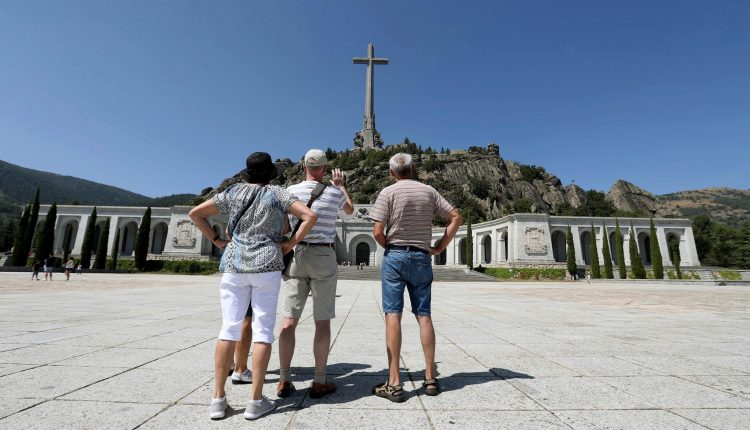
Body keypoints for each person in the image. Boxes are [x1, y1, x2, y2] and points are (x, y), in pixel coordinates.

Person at [188, 152, 317, 421]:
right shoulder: (277, 194)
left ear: (247, 173)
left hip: (234, 265)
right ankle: (256, 401)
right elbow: (309, 216)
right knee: (263, 330)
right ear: (270, 172)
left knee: (229, 328)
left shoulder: (233, 192)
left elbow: (195, 213)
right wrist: (290, 244)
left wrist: (216, 240)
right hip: (267, 265)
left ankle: (218, 399)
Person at [370, 153, 462, 402]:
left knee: (393, 315)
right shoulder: (429, 191)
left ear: (392, 173)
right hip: (422, 257)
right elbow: (456, 217)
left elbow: (377, 231)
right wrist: (441, 246)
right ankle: (430, 378)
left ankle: (395, 383)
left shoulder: (387, 193)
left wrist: (389, 244)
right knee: (424, 315)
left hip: (396, 257)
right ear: (413, 170)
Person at [277, 149, 354, 399]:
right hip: (323, 256)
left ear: (304, 167)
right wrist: (341, 186)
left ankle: (284, 379)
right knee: (322, 322)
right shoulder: (333, 192)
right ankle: (319, 380)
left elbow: (285, 226)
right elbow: (350, 211)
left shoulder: (289, 191)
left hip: (297, 254)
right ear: (325, 168)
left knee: (289, 321)